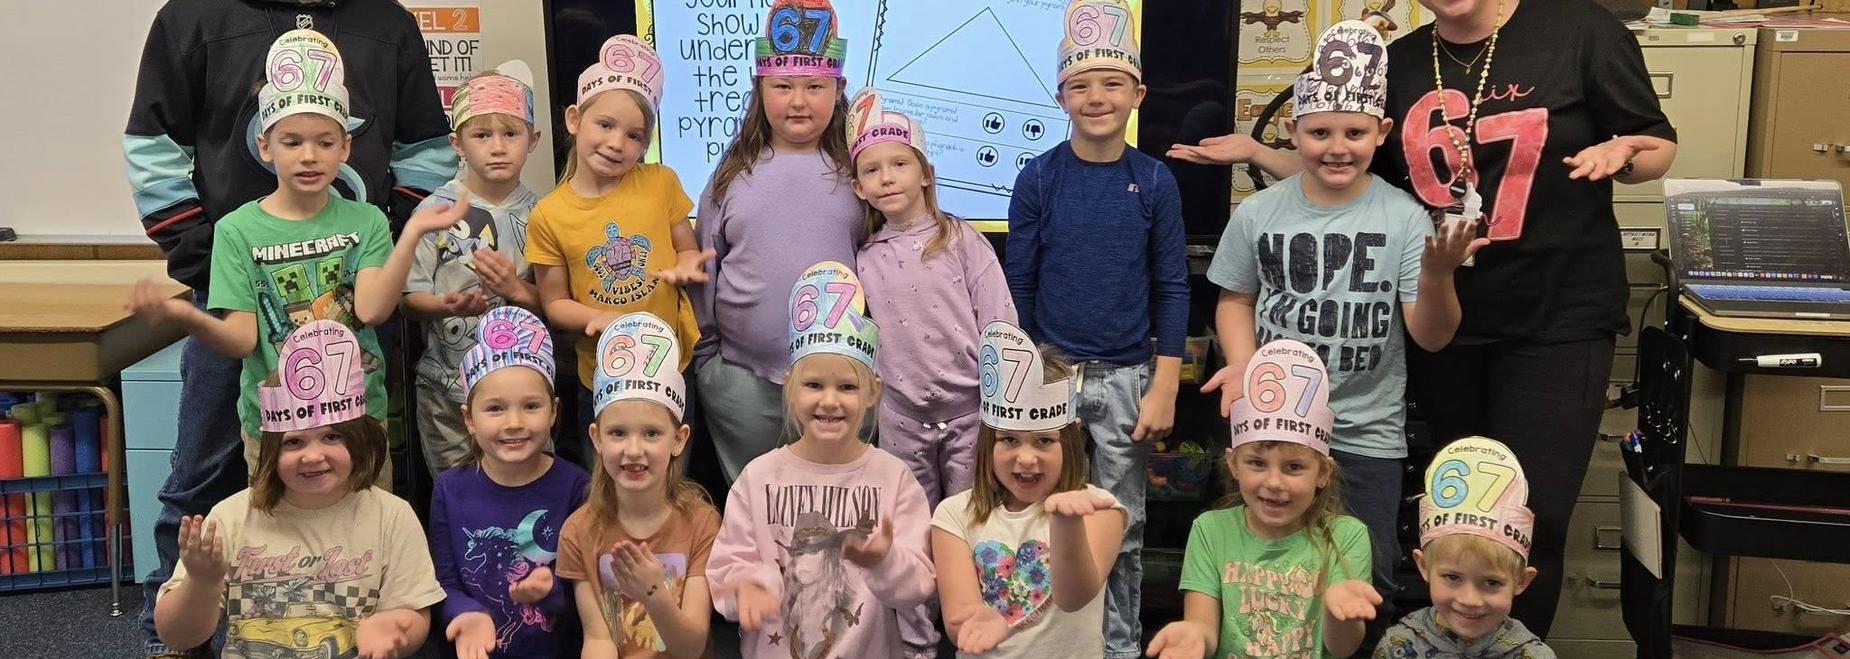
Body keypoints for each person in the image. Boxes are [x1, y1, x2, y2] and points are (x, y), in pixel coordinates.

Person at [1170, 0, 1677, 633]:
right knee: (1456, 520)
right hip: (1442, 336)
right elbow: (1345, 172)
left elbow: (1655, 146)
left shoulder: (1579, 30)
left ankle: (1510, 649)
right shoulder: (1404, 63)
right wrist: (1260, 154)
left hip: (1554, 315)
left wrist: (1623, 154)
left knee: (1531, 516)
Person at [124, 3, 452, 654]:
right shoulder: (194, 18)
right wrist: (205, 259)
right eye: (293, 142)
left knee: (352, 485)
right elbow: (153, 146)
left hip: (355, 304)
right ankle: (174, 636)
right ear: (268, 143)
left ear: (344, 144)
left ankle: (352, 628)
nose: (309, 155)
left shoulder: (387, 24)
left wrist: (385, 253)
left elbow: (426, 151)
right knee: (202, 472)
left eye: (324, 142)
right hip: (235, 290)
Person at [1201, 20, 1483, 618]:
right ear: (1292, 130)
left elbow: (1431, 337)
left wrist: (1438, 275)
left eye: (1354, 132)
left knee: (1358, 591)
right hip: (1270, 431)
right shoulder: (1258, 214)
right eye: (1319, 131)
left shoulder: (1404, 217)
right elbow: (1235, 300)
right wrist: (1243, 367)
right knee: (1263, 587)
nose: (1337, 146)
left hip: (1364, 439)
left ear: (1380, 132)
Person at [1007, 2, 1188, 655]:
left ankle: (1115, 646)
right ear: (1060, 95)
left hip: (1125, 379)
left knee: (1121, 523)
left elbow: (1171, 284)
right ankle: (1040, 638)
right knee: (1037, 519)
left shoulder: (1154, 182)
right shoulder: (1039, 178)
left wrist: (1164, 382)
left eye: (1112, 83)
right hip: (1049, 378)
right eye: (1081, 85)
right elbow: (1020, 284)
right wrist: (1025, 379)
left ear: (1137, 93)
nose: (1096, 97)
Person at [153, 322, 445, 658]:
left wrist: (395, 627)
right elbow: (177, 636)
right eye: (294, 442)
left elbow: (415, 612)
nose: (313, 455)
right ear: (271, 452)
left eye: (332, 436)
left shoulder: (391, 516)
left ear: (358, 441)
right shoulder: (231, 518)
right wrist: (201, 584)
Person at [706, 263, 937, 659]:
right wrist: (749, 585)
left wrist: (886, 560)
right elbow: (726, 568)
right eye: (814, 385)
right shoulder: (758, 478)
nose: (829, 401)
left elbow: (919, 585)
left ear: (872, 393)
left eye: (847, 387)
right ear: (790, 387)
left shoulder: (894, 478)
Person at [689, 0, 863, 482]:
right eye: (782, 86)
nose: (798, 101)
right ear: (760, 88)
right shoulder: (732, 176)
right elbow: (707, 265)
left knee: (834, 503)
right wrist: (709, 364)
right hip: (742, 383)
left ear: (838, 88)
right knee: (756, 501)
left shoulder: (860, 172)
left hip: (840, 384)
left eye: (815, 87)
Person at [528, 34, 704, 466]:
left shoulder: (661, 182)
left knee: (672, 473)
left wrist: (687, 266)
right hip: (603, 374)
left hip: (671, 364)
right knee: (610, 478)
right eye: (604, 125)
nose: (616, 143)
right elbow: (554, 303)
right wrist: (598, 319)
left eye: (633, 135)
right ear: (574, 120)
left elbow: (687, 249)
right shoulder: (549, 215)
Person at [1145, 340, 1379, 659]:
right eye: (1256, 463)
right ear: (1233, 464)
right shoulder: (1210, 530)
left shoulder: (1346, 536)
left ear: (1323, 473)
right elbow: (1203, 628)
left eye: (1294, 467)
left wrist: (1341, 614)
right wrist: (1193, 635)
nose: (1273, 483)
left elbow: (1342, 648)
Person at [849, 86, 1016, 507]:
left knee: (969, 518)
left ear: (925, 174)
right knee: (910, 523)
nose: (886, 177)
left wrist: (1005, 399)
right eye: (872, 171)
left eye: (899, 164)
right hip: (901, 418)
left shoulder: (961, 239)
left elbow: (1000, 319)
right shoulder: (864, 257)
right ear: (858, 188)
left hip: (971, 414)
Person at [931, 322, 1126, 657]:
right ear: (987, 443)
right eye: (1008, 439)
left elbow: (1074, 597)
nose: (1026, 458)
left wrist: (1066, 523)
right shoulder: (953, 515)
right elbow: (958, 622)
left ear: (1070, 439)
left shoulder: (1100, 508)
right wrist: (980, 621)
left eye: (1044, 441)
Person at [403, 65, 546, 474]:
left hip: (524, 396)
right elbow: (407, 301)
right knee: (457, 499)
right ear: (457, 143)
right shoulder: (433, 214)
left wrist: (516, 289)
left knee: (527, 489)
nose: (497, 147)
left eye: (511, 134)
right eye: (482, 135)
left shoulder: (545, 215)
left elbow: (555, 304)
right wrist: (446, 305)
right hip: (447, 392)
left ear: (532, 140)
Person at [558, 312, 722, 658]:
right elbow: (599, 640)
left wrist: (652, 592)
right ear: (596, 439)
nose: (634, 450)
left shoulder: (702, 523)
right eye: (618, 433)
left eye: (651, 433)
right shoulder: (579, 532)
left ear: (679, 439)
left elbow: (691, 648)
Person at [430, 307, 590, 659]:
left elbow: (589, 594)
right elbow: (444, 584)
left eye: (531, 406)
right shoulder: (449, 488)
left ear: (553, 412)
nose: (514, 422)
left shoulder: (577, 487)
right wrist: (465, 613)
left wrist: (549, 592)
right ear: (469, 418)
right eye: (495, 409)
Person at [1376, 437, 1553, 658]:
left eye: (1492, 582)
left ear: (1521, 580)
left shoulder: (1532, 655)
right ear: (1423, 565)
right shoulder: (1397, 646)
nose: (1469, 599)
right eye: (1452, 577)